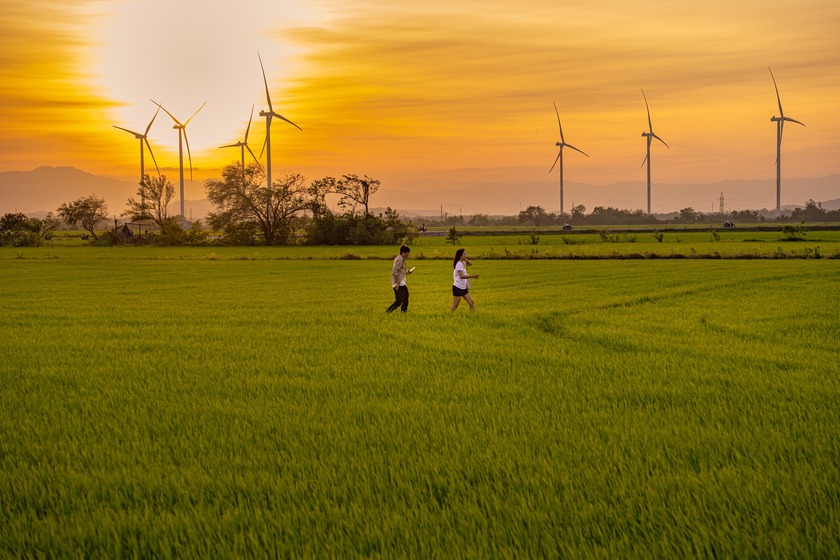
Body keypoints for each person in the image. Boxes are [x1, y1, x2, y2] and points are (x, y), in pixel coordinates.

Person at [451, 248, 479, 312]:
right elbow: (461, 276)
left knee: (471, 302)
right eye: (464, 253)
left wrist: (464, 258)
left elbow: (471, 263)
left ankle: (473, 316)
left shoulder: (462, 263)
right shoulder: (458, 264)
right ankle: (447, 316)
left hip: (463, 287)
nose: (466, 254)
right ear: (460, 255)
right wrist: (473, 276)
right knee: (455, 306)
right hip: (458, 287)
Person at [386, 245, 413, 313]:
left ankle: (388, 312)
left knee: (399, 301)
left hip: (400, 283)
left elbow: (400, 272)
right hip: (399, 284)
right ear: (403, 253)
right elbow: (394, 272)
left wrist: (407, 272)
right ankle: (403, 314)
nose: (408, 255)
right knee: (404, 299)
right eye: (407, 253)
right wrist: (397, 283)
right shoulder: (399, 260)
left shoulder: (401, 260)